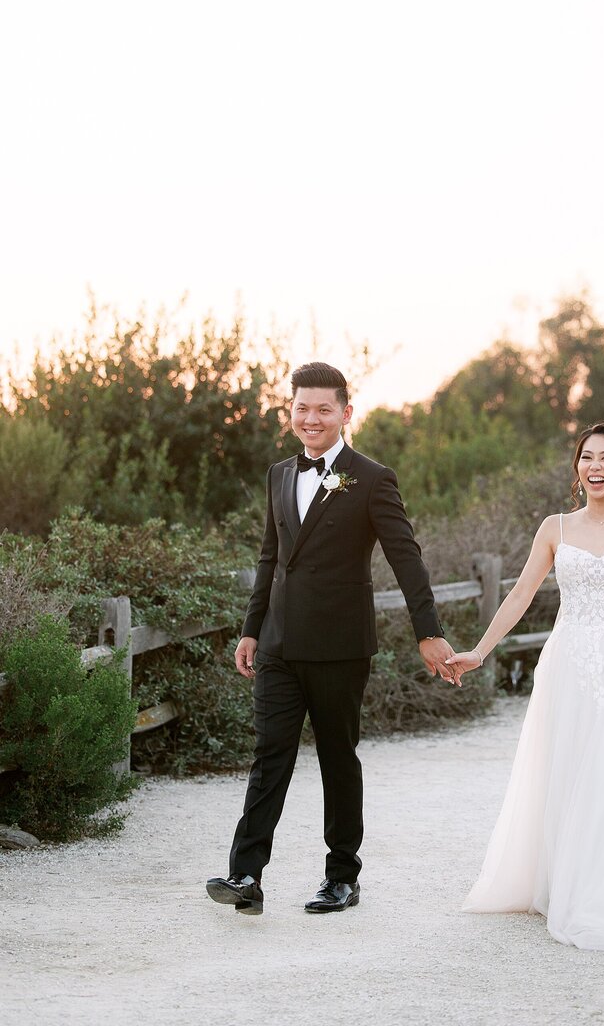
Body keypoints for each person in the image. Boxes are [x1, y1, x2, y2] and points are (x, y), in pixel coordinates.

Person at [206, 362, 454, 917]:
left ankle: (342, 876)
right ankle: (246, 874)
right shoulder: (278, 475)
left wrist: (428, 631)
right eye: (302, 408)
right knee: (270, 755)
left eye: (323, 409)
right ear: (289, 412)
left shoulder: (371, 478)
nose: (311, 418)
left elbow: (405, 557)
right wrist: (251, 630)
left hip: (341, 646)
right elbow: (270, 559)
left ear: (345, 413)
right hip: (277, 645)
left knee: (338, 758)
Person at [445, 422, 604, 951]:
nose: (595, 467)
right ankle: (569, 882)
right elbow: (519, 596)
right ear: (576, 467)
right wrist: (479, 650)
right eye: (587, 457)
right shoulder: (555, 528)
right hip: (571, 665)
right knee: (572, 769)